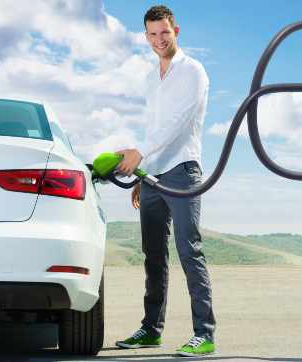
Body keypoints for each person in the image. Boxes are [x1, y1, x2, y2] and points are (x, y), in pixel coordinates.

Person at [112, 4, 216, 357]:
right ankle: (151, 329)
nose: (159, 40)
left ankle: (204, 333)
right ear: (146, 36)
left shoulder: (193, 71)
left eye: (165, 33)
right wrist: (144, 172)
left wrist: (141, 153)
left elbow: (179, 123)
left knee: (190, 251)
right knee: (153, 255)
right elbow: (155, 128)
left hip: (183, 171)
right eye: (153, 34)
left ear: (177, 31)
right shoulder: (149, 78)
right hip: (154, 176)